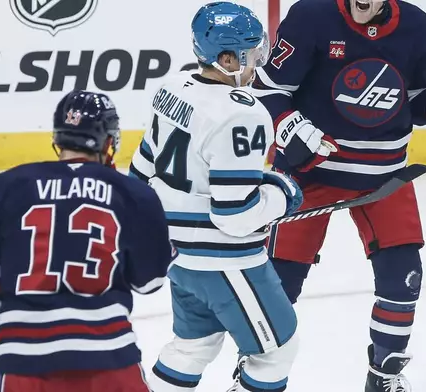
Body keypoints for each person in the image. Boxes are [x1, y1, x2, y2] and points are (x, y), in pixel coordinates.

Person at [251, 0, 426, 390]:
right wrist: (290, 129)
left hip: (384, 177)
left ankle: (384, 375)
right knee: (279, 285)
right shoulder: (310, 16)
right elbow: (269, 91)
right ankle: (255, 376)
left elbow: (414, 92)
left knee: (403, 279)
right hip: (311, 174)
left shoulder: (414, 24)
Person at [129, 2, 303, 391]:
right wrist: (283, 194)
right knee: (277, 350)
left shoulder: (172, 87)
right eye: (250, 53)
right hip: (223, 260)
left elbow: (139, 175)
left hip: (174, 253)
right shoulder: (242, 113)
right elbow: (234, 215)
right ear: (226, 58)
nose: (257, 62)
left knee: (193, 346)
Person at [0, 90, 174, 392]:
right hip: (108, 361)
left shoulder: (7, 187)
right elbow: (149, 281)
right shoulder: (132, 194)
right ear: (108, 140)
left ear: (58, 138)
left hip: (23, 365)